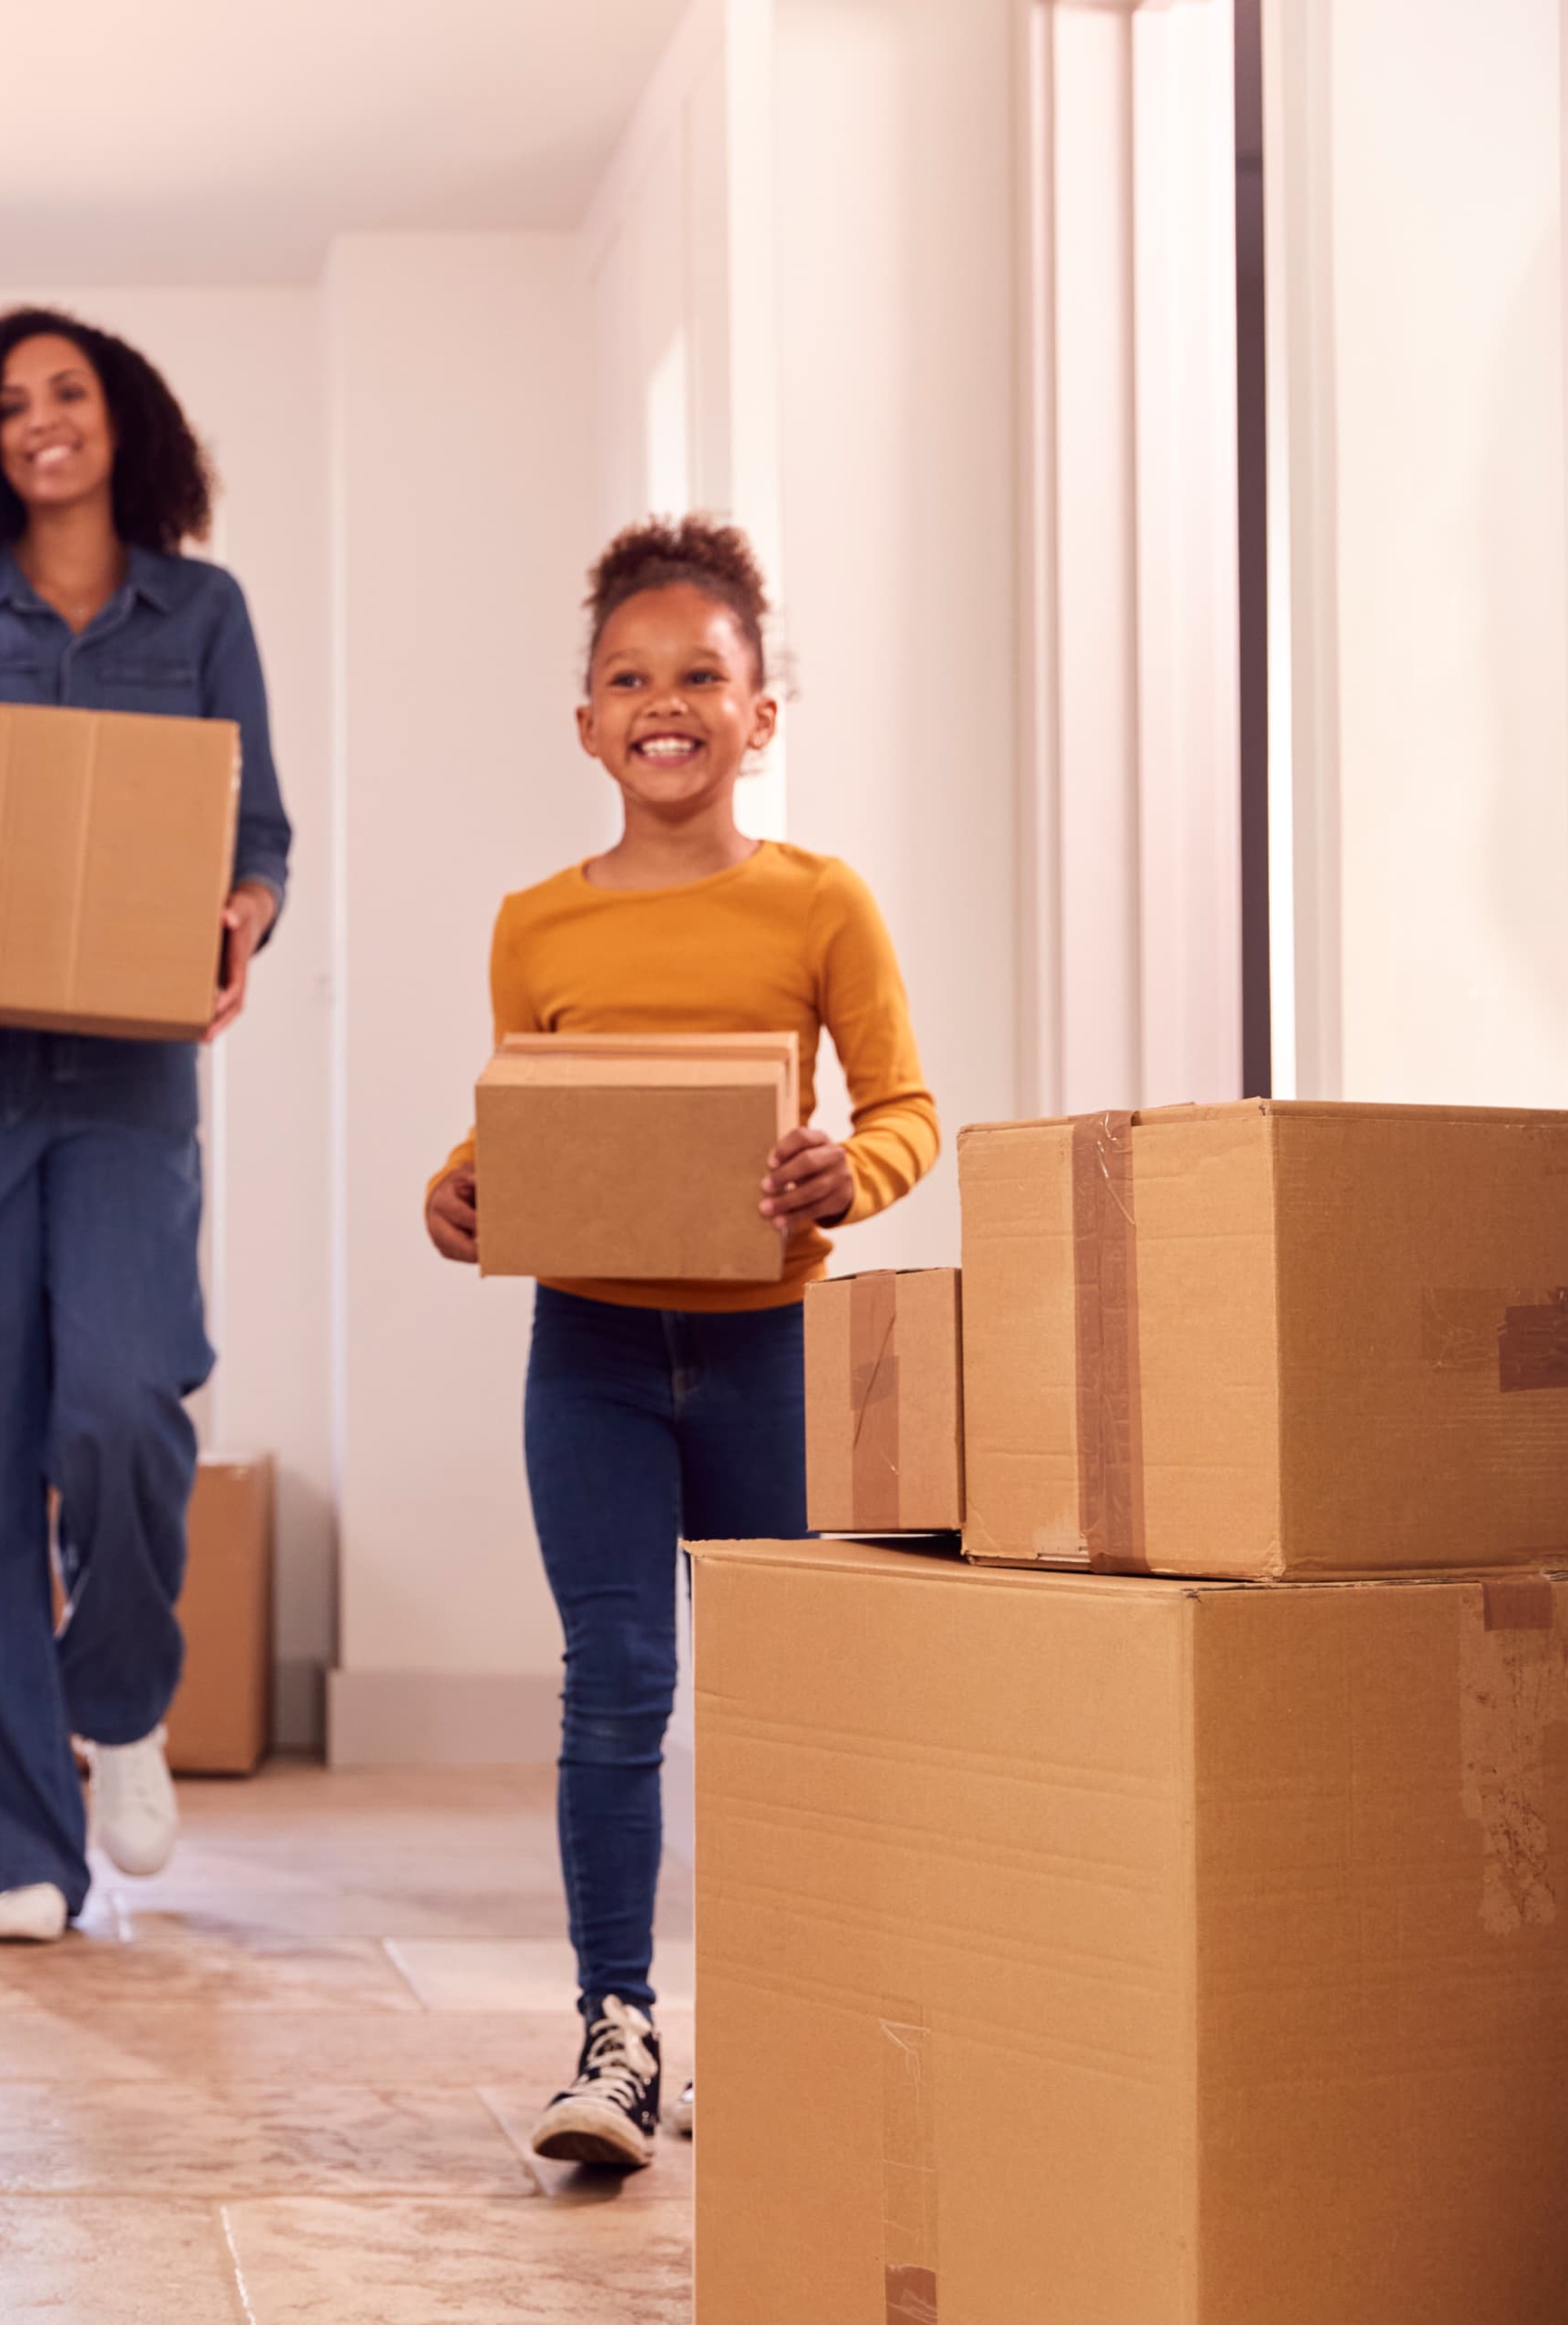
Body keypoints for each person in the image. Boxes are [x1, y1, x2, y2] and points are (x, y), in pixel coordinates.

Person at [420, 516, 936, 2170]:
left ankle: (776, 2021)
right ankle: (617, 2033)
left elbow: (906, 1108)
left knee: (776, 1699)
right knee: (621, 1678)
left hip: (768, 1353)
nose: (666, 704)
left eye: (701, 676)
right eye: (630, 680)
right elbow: (525, 1119)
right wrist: (458, 1188)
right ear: (586, 723)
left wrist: (849, 1173)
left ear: (760, 714)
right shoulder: (536, 924)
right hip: (588, 1356)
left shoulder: (821, 902)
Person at [0, 309, 293, 1942]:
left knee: (122, 1404)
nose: (43, 420)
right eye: (12, 402)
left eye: (71, 392)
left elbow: (257, 834)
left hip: (124, 1084)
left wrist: (242, 915)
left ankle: (120, 1697)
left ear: (125, 421)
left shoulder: (204, 611)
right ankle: (0, 1855)